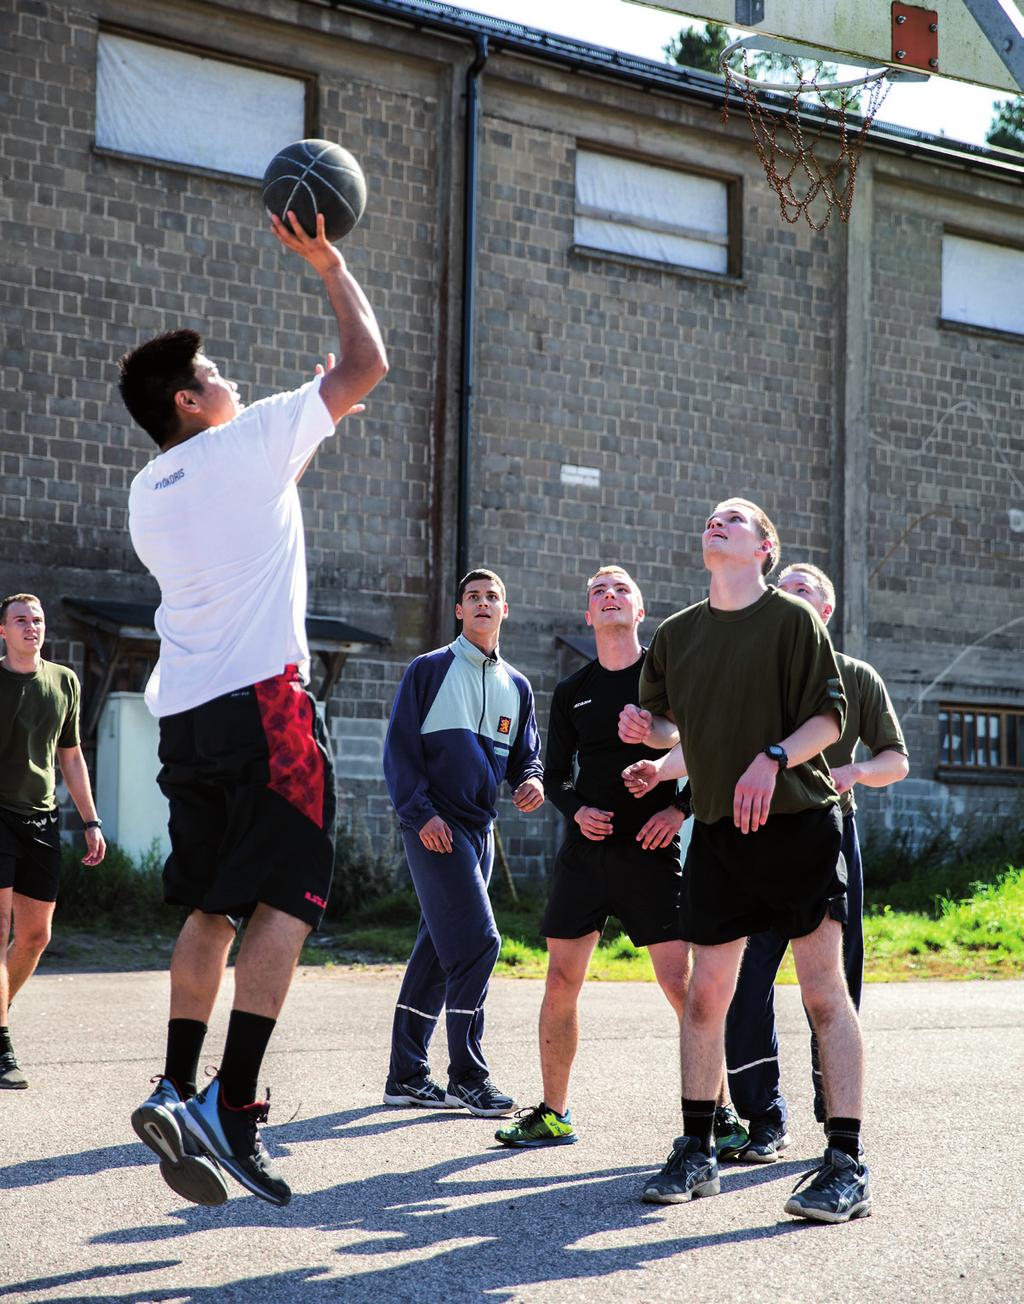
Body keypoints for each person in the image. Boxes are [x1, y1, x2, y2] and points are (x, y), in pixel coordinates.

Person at [120, 211, 388, 1208]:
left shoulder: (152, 488)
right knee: (292, 897)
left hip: (186, 719)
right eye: (216, 370)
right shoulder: (254, 434)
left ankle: (175, 1079)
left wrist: (310, 429)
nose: (232, 375)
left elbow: (260, 500)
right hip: (267, 712)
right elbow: (368, 359)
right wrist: (328, 261)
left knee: (211, 905)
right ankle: (233, 1106)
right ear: (191, 400)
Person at [619, 498, 872, 1225]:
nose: (717, 520)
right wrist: (649, 727)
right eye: (711, 516)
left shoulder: (793, 621)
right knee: (705, 997)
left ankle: (847, 1164)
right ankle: (697, 1149)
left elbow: (831, 719)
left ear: (764, 547)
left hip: (800, 824)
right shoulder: (675, 635)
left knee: (823, 994)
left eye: (736, 518)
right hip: (721, 835)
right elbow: (677, 725)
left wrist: (772, 758)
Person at [495, 566, 746, 1157]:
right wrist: (577, 811)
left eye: (621, 590)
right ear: (589, 615)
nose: (609, 596)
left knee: (680, 983)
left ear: (640, 610)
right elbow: (552, 777)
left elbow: (713, 747)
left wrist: (678, 812)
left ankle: (723, 1112)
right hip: (587, 854)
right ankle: (554, 1113)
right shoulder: (573, 689)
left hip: (652, 851)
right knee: (559, 980)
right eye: (598, 592)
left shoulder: (668, 678)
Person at [724, 563, 909, 1158]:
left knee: (830, 987)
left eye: (804, 590)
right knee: (743, 986)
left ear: (824, 611)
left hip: (828, 843)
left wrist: (856, 770)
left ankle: (836, 1117)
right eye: (786, 588)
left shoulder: (855, 676)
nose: (789, 596)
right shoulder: (756, 675)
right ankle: (763, 1117)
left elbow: (896, 760)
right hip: (752, 841)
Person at [382, 569, 544, 1118]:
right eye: (472, 597)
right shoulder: (428, 670)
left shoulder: (516, 686)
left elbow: (527, 755)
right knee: (479, 942)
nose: (482, 603)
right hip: (435, 826)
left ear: (505, 610)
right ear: (459, 610)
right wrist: (420, 814)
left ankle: (405, 1075)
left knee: (438, 948)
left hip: (481, 830)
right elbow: (399, 752)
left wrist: (532, 781)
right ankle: (468, 1077)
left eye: (491, 597)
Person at [0, 594, 106, 1090]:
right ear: (3, 631)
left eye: (37, 620)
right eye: (20, 620)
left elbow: (72, 756)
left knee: (36, 936)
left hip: (41, 819)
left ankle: (0, 1005)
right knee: (0, 930)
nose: (31, 627)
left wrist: (91, 821)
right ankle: (1, 1042)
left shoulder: (64, 681)